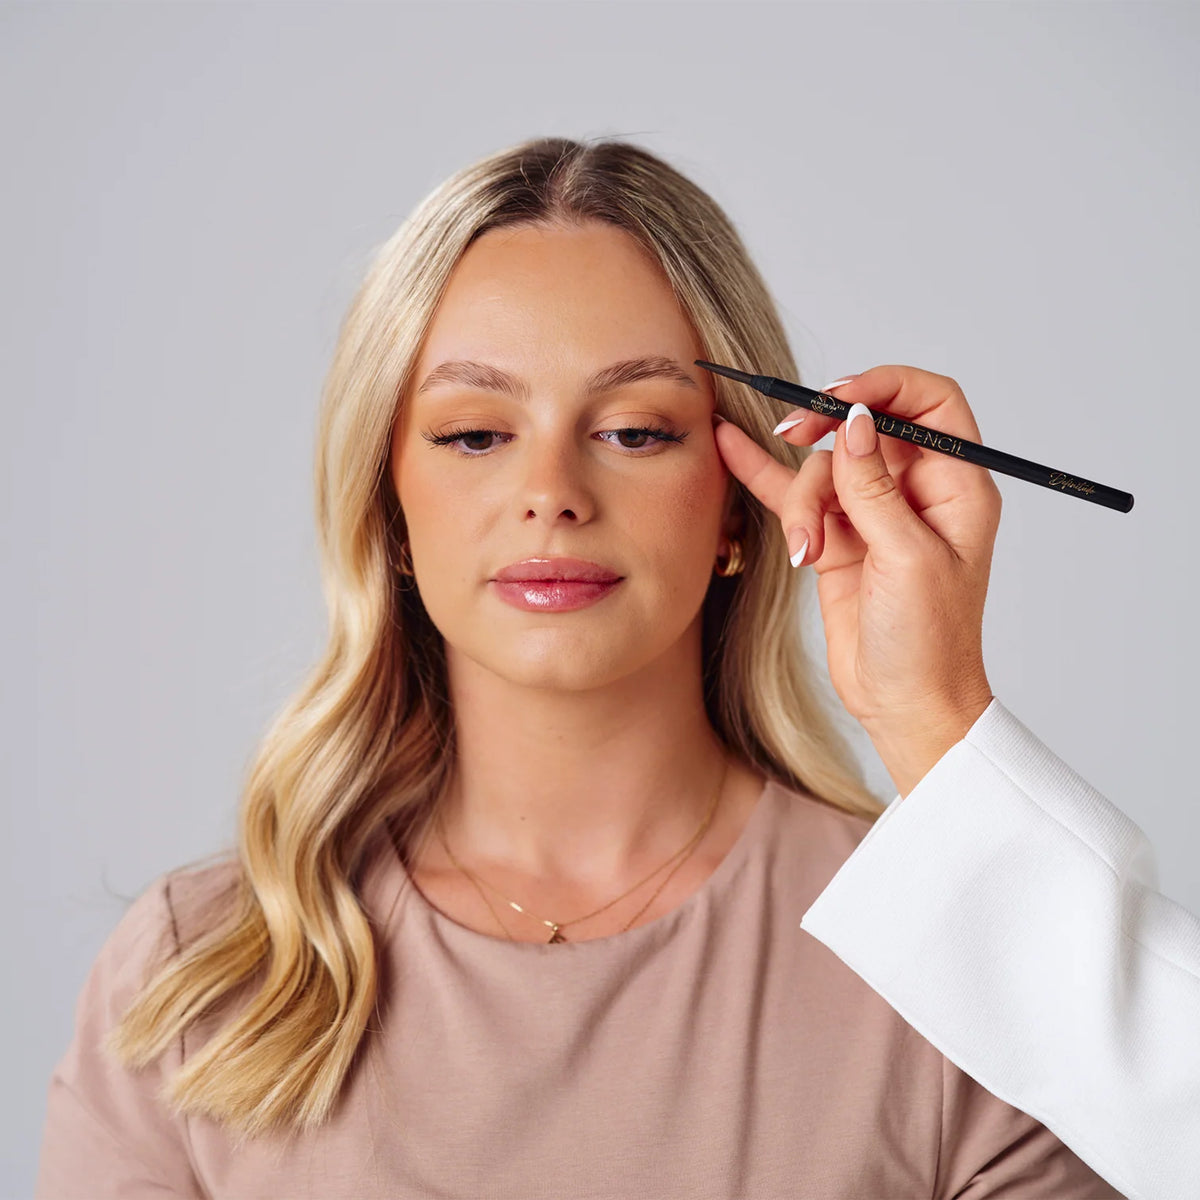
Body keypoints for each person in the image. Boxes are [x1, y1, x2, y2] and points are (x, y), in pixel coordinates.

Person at [32, 135, 1171, 1199]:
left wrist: (929, 709)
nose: (553, 494)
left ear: (740, 498)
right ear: (389, 508)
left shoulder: (969, 968)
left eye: (635, 430)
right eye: (475, 433)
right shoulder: (202, 973)